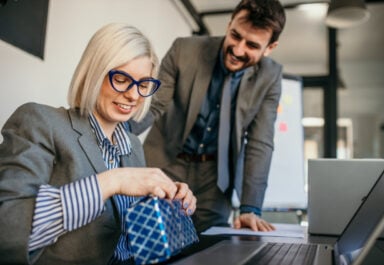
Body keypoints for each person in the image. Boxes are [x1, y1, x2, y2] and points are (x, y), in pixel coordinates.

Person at [0, 23, 196, 265]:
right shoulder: (40, 122)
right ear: (93, 72)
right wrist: (112, 181)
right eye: (122, 79)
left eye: (143, 85)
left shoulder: (133, 147)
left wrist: (171, 206)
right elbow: (7, 230)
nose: (134, 96)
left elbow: (130, 240)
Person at [130, 0, 286, 233]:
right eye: (235, 35)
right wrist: (112, 136)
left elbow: (259, 142)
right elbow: (154, 105)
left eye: (252, 45)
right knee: (153, 242)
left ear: (270, 47)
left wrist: (250, 207)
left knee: (210, 249)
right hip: (166, 163)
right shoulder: (184, 50)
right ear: (229, 24)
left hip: (215, 180)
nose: (238, 49)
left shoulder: (270, 76)